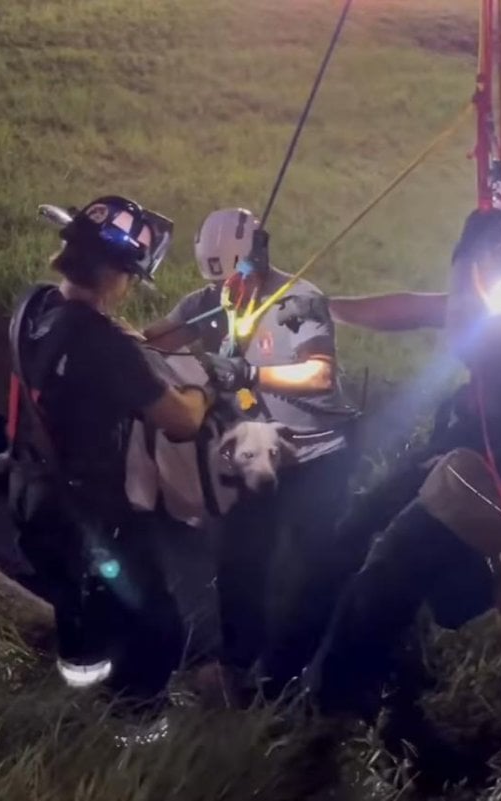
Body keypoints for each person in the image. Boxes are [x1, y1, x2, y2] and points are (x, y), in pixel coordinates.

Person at [303, 160, 501, 733]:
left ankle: (338, 712)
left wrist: (468, 249)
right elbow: (435, 308)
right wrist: (326, 307)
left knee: (387, 570)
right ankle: (345, 659)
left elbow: (465, 333)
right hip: (473, 450)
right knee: (356, 528)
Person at [0, 195, 213, 703]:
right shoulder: (107, 347)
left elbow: (95, 347)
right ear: (118, 276)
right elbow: (180, 423)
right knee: (157, 625)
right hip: (93, 518)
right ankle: (133, 725)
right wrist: (208, 388)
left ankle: (77, 681)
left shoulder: (37, 306)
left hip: (30, 494)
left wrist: (130, 342)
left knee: (76, 605)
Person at [145, 207, 360, 700]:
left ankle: (316, 669)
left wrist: (250, 374)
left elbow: (319, 374)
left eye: (238, 275)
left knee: (315, 561)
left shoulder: (298, 302)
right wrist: (113, 335)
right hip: (256, 456)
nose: (229, 291)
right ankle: (238, 663)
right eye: (219, 281)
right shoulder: (210, 302)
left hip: (316, 453)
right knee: (242, 556)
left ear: (259, 255)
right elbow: (161, 337)